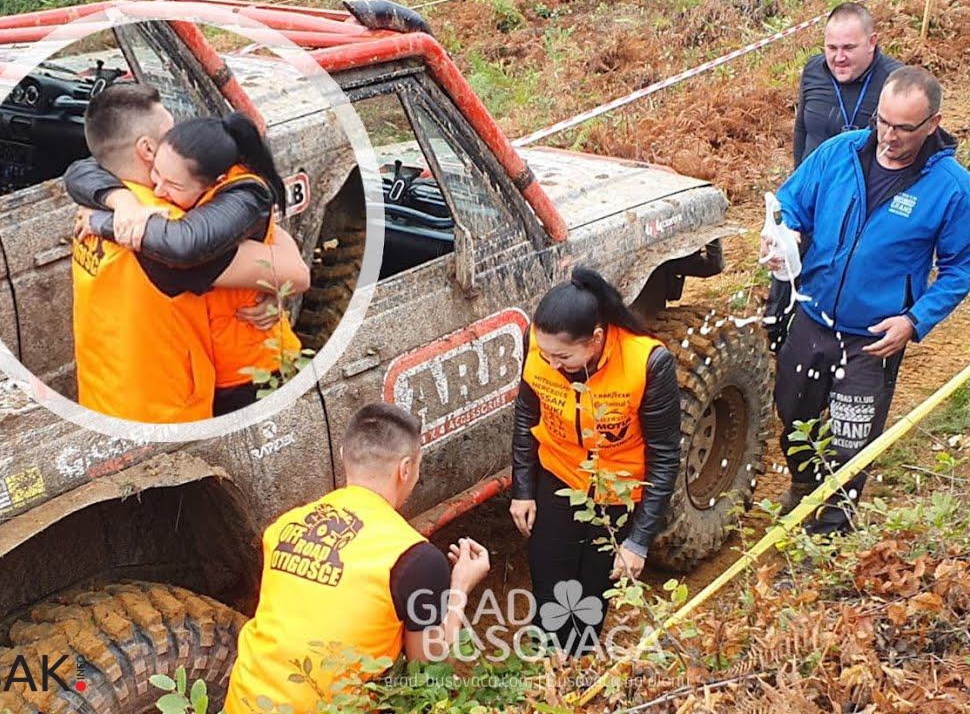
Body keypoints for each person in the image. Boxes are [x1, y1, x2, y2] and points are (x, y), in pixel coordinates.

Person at [766, 66, 970, 535]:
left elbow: (962, 264)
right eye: (882, 121)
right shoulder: (837, 153)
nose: (889, 136)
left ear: (932, 123)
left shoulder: (948, 185)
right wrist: (780, 238)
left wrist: (914, 319)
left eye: (904, 128)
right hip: (812, 315)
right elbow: (792, 204)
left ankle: (830, 530)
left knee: (851, 438)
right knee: (793, 415)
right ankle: (804, 489)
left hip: (875, 337)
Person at [225, 403, 491, 712]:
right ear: (405, 469)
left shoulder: (283, 528)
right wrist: (459, 587)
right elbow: (427, 669)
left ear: (343, 454)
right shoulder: (413, 557)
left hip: (243, 702)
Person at [67, 84, 304, 423]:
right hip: (167, 410)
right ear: (148, 150)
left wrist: (107, 216)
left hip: (103, 395)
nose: (178, 134)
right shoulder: (161, 226)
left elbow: (290, 268)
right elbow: (294, 271)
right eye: (169, 132)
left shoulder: (93, 205)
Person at [509, 266, 680, 656]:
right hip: (558, 477)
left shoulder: (647, 363)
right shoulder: (538, 345)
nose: (550, 363)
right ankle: (549, 671)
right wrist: (523, 489)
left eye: (564, 356)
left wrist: (638, 540)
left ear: (596, 340)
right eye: (545, 352)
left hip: (617, 492)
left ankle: (579, 665)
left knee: (591, 591)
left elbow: (666, 455)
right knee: (549, 585)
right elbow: (525, 416)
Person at [766, 2, 903, 350]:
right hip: (810, 202)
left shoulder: (895, 84)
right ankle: (777, 341)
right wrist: (797, 194)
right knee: (785, 285)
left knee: (839, 292)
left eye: (848, 48)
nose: (838, 58)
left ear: (872, 42)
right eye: (831, 48)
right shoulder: (814, 72)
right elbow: (802, 131)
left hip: (859, 211)